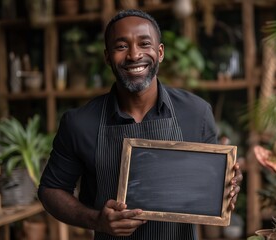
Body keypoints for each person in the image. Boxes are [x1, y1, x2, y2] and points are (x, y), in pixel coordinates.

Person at [38, 9, 243, 240]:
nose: (134, 55)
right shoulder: (79, 123)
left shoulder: (196, 113)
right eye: (121, 46)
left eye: (144, 44)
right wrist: (97, 220)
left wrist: (228, 185)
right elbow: (50, 190)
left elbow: (209, 185)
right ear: (107, 57)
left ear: (160, 52)